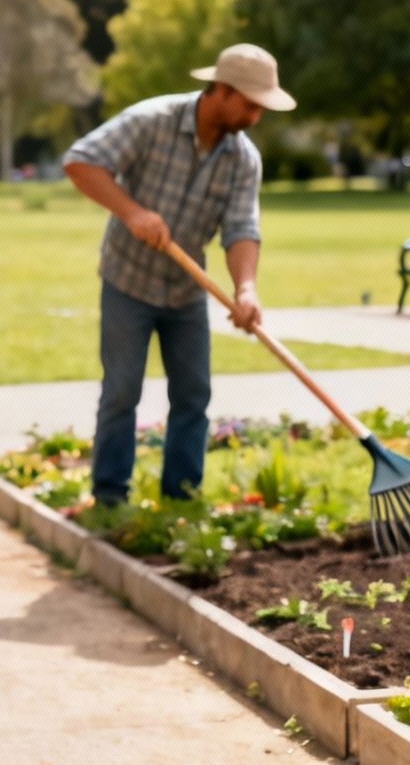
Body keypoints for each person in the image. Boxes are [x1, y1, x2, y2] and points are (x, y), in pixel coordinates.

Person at [61, 43, 295, 507]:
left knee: (193, 395)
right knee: (122, 391)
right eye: (250, 105)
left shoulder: (243, 158)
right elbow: (81, 161)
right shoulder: (152, 120)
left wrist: (245, 288)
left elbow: (242, 228)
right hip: (128, 279)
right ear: (222, 91)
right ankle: (110, 497)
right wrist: (131, 212)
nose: (255, 116)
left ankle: (182, 498)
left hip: (186, 291)